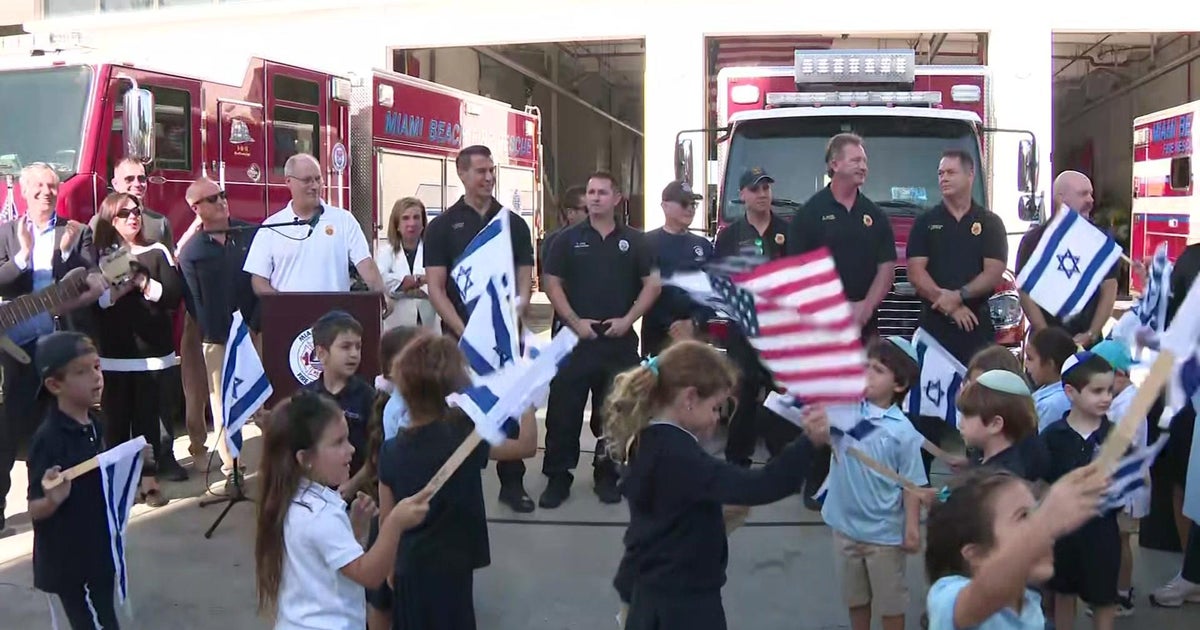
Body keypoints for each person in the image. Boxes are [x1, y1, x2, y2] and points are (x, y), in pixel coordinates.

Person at [603, 340, 827, 630]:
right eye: (716, 407)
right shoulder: (681, 456)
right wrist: (808, 444)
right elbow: (762, 485)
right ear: (690, 398)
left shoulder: (646, 440)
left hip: (649, 588)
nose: (717, 418)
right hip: (684, 600)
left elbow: (667, 513)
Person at [377, 334, 537, 630]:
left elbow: (387, 523)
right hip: (455, 569)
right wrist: (525, 397)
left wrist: (390, 568)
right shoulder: (464, 436)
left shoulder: (390, 451)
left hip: (409, 570)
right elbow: (526, 446)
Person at [253, 390, 430, 629]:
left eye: (347, 438)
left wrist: (355, 530)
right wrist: (395, 524)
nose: (352, 449)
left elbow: (326, 562)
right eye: (338, 442)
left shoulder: (292, 498)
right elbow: (368, 575)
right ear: (305, 458)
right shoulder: (321, 516)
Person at [422, 145, 536, 513]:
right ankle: (454, 481)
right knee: (456, 411)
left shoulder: (513, 224)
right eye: (480, 171)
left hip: (502, 341)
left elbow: (524, 279)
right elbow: (436, 288)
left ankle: (512, 483)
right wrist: (465, 330)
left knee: (507, 409)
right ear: (462, 175)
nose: (488, 177)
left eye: (491, 171)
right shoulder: (441, 227)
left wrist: (512, 319)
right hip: (460, 341)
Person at [541, 170, 661, 508]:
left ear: (617, 198)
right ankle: (558, 477)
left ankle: (607, 474)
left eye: (602, 192)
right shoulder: (566, 239)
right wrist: (575, 322)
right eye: (591, 192)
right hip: (575, 342)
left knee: (616, 412)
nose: (594, 197)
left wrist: (628, 320)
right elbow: (552, 284)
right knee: (563, 413)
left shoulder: (636, 242)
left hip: (618, 343)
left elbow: (652, 284)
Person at [0, 163, 104, 534]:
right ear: (24, 191)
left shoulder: (75, 233)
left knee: (60, 428)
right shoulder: (6, 234)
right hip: (18, 349)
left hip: (60, 346)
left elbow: (93, 280)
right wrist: (24, 256)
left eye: (52, 186)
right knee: (8, 432)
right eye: (39, 186)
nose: (47, 192)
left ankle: (55, 502)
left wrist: (62, 254)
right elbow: (4, 281)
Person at [819, 337, 925, 630]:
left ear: (899, 385)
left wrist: (912, 527)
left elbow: (911, 484)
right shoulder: (846, 412)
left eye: (877, 370)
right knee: (856, 599)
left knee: (891, 604)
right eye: (865, 366)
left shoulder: (903, 432)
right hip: (844, 527)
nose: (866, 374)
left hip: (883, 535)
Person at [923, 467, 1109, 630]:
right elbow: (985, 593)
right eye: (1023, 517)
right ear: (976, 555)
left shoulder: (1029, 602)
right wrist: (1046, 520)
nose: (1039, 526)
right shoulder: (947, 597)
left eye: (1037, 511)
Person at [93, 192, 186, 507]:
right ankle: (121, 482)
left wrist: (144, 282)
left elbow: (173, 297)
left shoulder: (156, 250)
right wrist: (120, 288)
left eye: (137, 211)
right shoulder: (101, 257)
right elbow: (98, 304)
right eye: (125, 213)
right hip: (115, 355)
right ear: (110, 219)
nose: (134, 217)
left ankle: (149, 481)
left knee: (148, 421)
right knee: (116, 421)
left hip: (152, 354)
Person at [25, 332, 119, 629]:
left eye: (96, 367)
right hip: (70, 559)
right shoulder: (48, 439)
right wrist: (52, 499)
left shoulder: (95, 423)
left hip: (97, 547)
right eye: (81, 372)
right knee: (88, 622)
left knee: (106, 616)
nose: (96, 377)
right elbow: (34, 507)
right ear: (55, 384)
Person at [713, 167, 795, 472]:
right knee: (742, 394)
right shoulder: (731, 235)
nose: (762, 194)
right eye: (755, 189)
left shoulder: (788, 231)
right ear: (742, 195)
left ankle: (781, 458)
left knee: (780, 394)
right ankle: (737, 460)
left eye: (766, 188)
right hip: (744, 330)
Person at [178, 178, 258, 477]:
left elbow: (262, 277)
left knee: (256, 395)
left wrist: (257, 323)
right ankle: (226, 461)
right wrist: (214, 336)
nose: (221, 201)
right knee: (216, 398)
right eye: (212, 199)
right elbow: (194, 300)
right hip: (212, 331)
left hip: (249, 326)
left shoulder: (248, 233)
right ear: (196, 208)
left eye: (223, 194)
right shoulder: (192, 252)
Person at [243, 154, 392, 308]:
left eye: (318, 179)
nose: (314, 186)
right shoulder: (271, 227)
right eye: (307, 180)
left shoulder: (344, 220)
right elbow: (259, 280)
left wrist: (381, 295)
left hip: (335, 318)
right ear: (288, 181)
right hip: (289, 319)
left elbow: (365, 264)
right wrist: (283, 306)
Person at [787, 133, 896, 339]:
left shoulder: (876, 216)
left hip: (865, 327)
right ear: (835, 164)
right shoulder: (808, 214)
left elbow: (886, 267)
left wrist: (866, 307)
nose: (863, 167)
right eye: (855, 160)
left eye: (864, 161)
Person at [1040, 352, 1120, 629]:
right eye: (1097, 390)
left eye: (1110, 390)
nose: (1106, 397)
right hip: (1063, 530)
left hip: (1102, 530)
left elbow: (1136, 476)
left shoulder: (1115, 436)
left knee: (1104, 597)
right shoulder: (1053, 435)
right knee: (1062, 591)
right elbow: (1041, 481)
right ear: (1071, 392)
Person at [364, 325, 428, 630]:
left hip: (402, 513)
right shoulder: (402, 409)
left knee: (388, 599)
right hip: (400, 516)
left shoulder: (405, 403)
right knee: (385, 598)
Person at [1016, 171, 1115, 349]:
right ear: (1061, 199)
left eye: (1091, 193)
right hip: (1044, 346)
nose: (1091, 200)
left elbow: (1109, 289)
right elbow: (1025, 290)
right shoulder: (1034, 240)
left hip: (1088, 345)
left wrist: (1091, 333)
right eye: (1083, 194)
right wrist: (1045, 334)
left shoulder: (1100, 241)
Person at [1090, 339, 1144, 616]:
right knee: (1114, 539)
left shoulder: (1128, 404)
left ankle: (1122, 595)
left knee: (1122, 540)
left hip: (1125, 487)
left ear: (1119, 375)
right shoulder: (1122, 399)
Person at [302, 311, 375, 501]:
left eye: (358, 347)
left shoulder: (368, 396)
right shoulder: (307, 397)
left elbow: (378, 452)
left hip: (358, 494)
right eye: (345, 347)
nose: (354, 354)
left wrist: (354, 484)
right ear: (321, 353)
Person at [642, 180, 714, 357]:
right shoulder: (646, 243)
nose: (690, 209)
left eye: (693, 204)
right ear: (665, 206)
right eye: (684, 204)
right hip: (658, 337)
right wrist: (672, 327)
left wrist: (694, 323)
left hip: (696, 337)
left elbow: (714, 293)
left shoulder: (703, 246)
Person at [956, 370, 1044, 481]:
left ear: (995, 424)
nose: (960, 423)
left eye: (967, 415)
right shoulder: (981, 457)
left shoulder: (1000, 480)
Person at [376, 197, 438, 332]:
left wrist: (402, 289)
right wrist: (420, 280)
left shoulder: (434, 250)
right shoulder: (385, 251)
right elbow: (382, 281)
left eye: (416, 217)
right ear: (397, 224)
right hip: (396, 325)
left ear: (423, 223)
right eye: (405, 218)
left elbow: (438, 284)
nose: (412, 223)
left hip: (428, 324)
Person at [540, 186, 588, 336]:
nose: (593, 213)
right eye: (586, 209)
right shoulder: (556, 242)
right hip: (567, 323)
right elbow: (551, 285)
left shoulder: (603, 238)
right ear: (570, 213)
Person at [1025, 327, 1076, 432]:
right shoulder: (1047, 391)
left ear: (1049, 364)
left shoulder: (1052, 405)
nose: (1025, 364)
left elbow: (1042, 445)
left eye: (1030, 358)